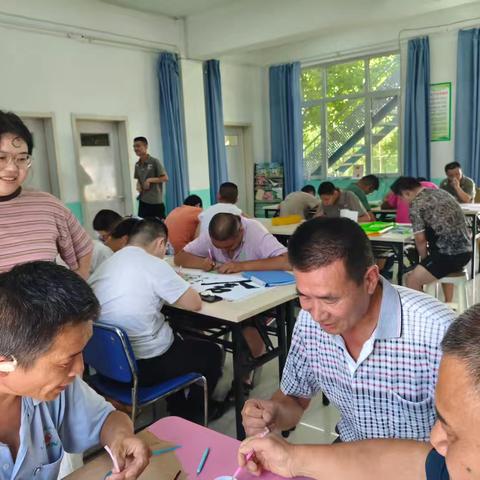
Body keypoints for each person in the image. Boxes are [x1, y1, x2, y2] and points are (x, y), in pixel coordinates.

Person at [242, 217, 454, 442]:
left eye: (330, 299)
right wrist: (273, 413)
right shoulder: (308, 322)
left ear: (370, 280)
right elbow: (294, 398)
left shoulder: (438, 333)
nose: (317, 314)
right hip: (351, 446)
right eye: (303, 296)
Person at [238, 303, 480, 480]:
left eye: (452, 432)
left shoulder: (431, 330)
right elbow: (409, 461)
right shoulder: (449, 462)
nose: (435, 439)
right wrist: (291, 458)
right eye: (305, 296)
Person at [0, 261, 150, 479]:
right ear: (4, 364)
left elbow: (106, 419)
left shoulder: (55, 389)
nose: (79, 369)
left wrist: (121, 438)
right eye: (64, 362)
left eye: (80, 353)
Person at [89, 218, 225, 422]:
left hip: (105, 366)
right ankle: (191, 414)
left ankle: (175, 403)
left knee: (176, 339)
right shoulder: (153, 264)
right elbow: (194, 303)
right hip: (142, 368)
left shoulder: (107, 265)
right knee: (212, 352)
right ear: (161, 243)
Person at [0, 111, 93, 279]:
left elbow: (84, 248)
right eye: (1, 157)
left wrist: (80, 282)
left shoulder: (48, 205)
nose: (12, 168)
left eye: (21, 158)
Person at [391, 177, 471, 302]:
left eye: (401, 198)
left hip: (449, 256)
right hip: (465, 252)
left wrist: (424, 261)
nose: (403, 202)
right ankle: (448, 302)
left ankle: (430, 316)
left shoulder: (417, 205)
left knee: (411, 280)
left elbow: (421, 240)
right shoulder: (441, 193)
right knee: (439, 268)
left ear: (407, 193)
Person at [175, 213, 290, 274]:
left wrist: (241, 266)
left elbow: (289, 261)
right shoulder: (212, 233)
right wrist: (202, 263)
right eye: (218, 247)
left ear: (241, 232)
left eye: (229, 247)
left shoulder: (255, 231)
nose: (225, 251)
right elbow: (180, 257)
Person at [133, 136, 168, 219]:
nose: (135, 148)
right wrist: (138, 184)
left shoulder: (154, 161)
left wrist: (150, 180)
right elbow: (138, 178)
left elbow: (165, 178)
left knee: (159, 226)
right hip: (143, 201)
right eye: (134, 146)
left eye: (138, 146)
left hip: (155, 202)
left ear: (146, 146)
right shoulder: (137, 164)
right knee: (142, 226)